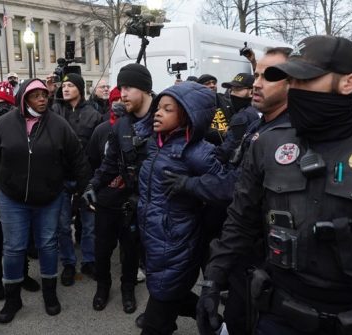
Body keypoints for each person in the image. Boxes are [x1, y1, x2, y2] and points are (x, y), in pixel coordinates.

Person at [196, 35, 352, 335]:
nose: (295, 90)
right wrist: (213, 280)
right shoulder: (268, 144)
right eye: (290, 81)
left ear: (349, 83)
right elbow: (240, 222)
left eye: (305, 80)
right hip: (279, 318)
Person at [162, 47, 291, 335]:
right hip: (242, 250)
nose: (256, 83)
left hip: (272, 259)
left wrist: (190, 184)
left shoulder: (290, 137)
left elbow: (236, 187)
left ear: (294, 82)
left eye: (268, 76)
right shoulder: (258, 125)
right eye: (256, 74)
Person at [0, 78, 90, 323]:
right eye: (35, 95)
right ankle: (12, 299)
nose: (42, 98)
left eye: (44, 94)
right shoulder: (5, 124)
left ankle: (50, 294)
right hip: (11, 198)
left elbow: (78, 158)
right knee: (14, 247)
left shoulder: (59, 125)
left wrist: (86, 188)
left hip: (49, 198)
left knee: (48, 245)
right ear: (23, 98)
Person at [137, 81, 223, 335]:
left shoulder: (199, 152)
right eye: (158, 108)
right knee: (172, 294)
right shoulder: (156, 143)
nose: (158, 113)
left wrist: (191, 185)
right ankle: (211, 320)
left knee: (157, 316)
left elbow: (228, 187)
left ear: (187, 115)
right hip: (153, 238)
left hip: (177, 244)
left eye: (168, 109)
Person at [84, 63, 154, 315]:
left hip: (141, 203)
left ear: (145, 89)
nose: (122, 93)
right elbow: (110, 163)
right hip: (109, 203)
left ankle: (127, 289)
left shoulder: (162, 121)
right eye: (120, 87)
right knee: (102, 249)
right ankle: (102, 287)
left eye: (128, 87)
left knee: (131, 252)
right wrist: (94, 184)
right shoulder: (120, 125)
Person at [0, 82, 40, 301]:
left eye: (1, 102)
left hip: (17, 189)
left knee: (19, 236)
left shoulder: (22, 124)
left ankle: (21, 274)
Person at [52, 73, 103, 286]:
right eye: (63, 85)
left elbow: (98, 148)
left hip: (86, 177)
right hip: (60, 177)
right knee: (63, 225)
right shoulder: (54, 111)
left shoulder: (93, 114)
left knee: (90, 224)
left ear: (80, 89)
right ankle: (69, 263)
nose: (65, 89)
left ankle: (89, 261)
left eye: (70, 85)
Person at [215, 72, 259, 163]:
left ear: (252, 92)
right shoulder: (263, 109)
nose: (232, 94)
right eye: (231, 89)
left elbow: (228, 149)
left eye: (238, 89)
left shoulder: (241, 117)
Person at [197, 74, 233, 146]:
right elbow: (200, 128)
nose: (212, 85)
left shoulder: (225, 100)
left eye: (214, 82)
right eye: (207, 84)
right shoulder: (197, 104)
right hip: (208, 146)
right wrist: (223, 133)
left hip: (228, 144)